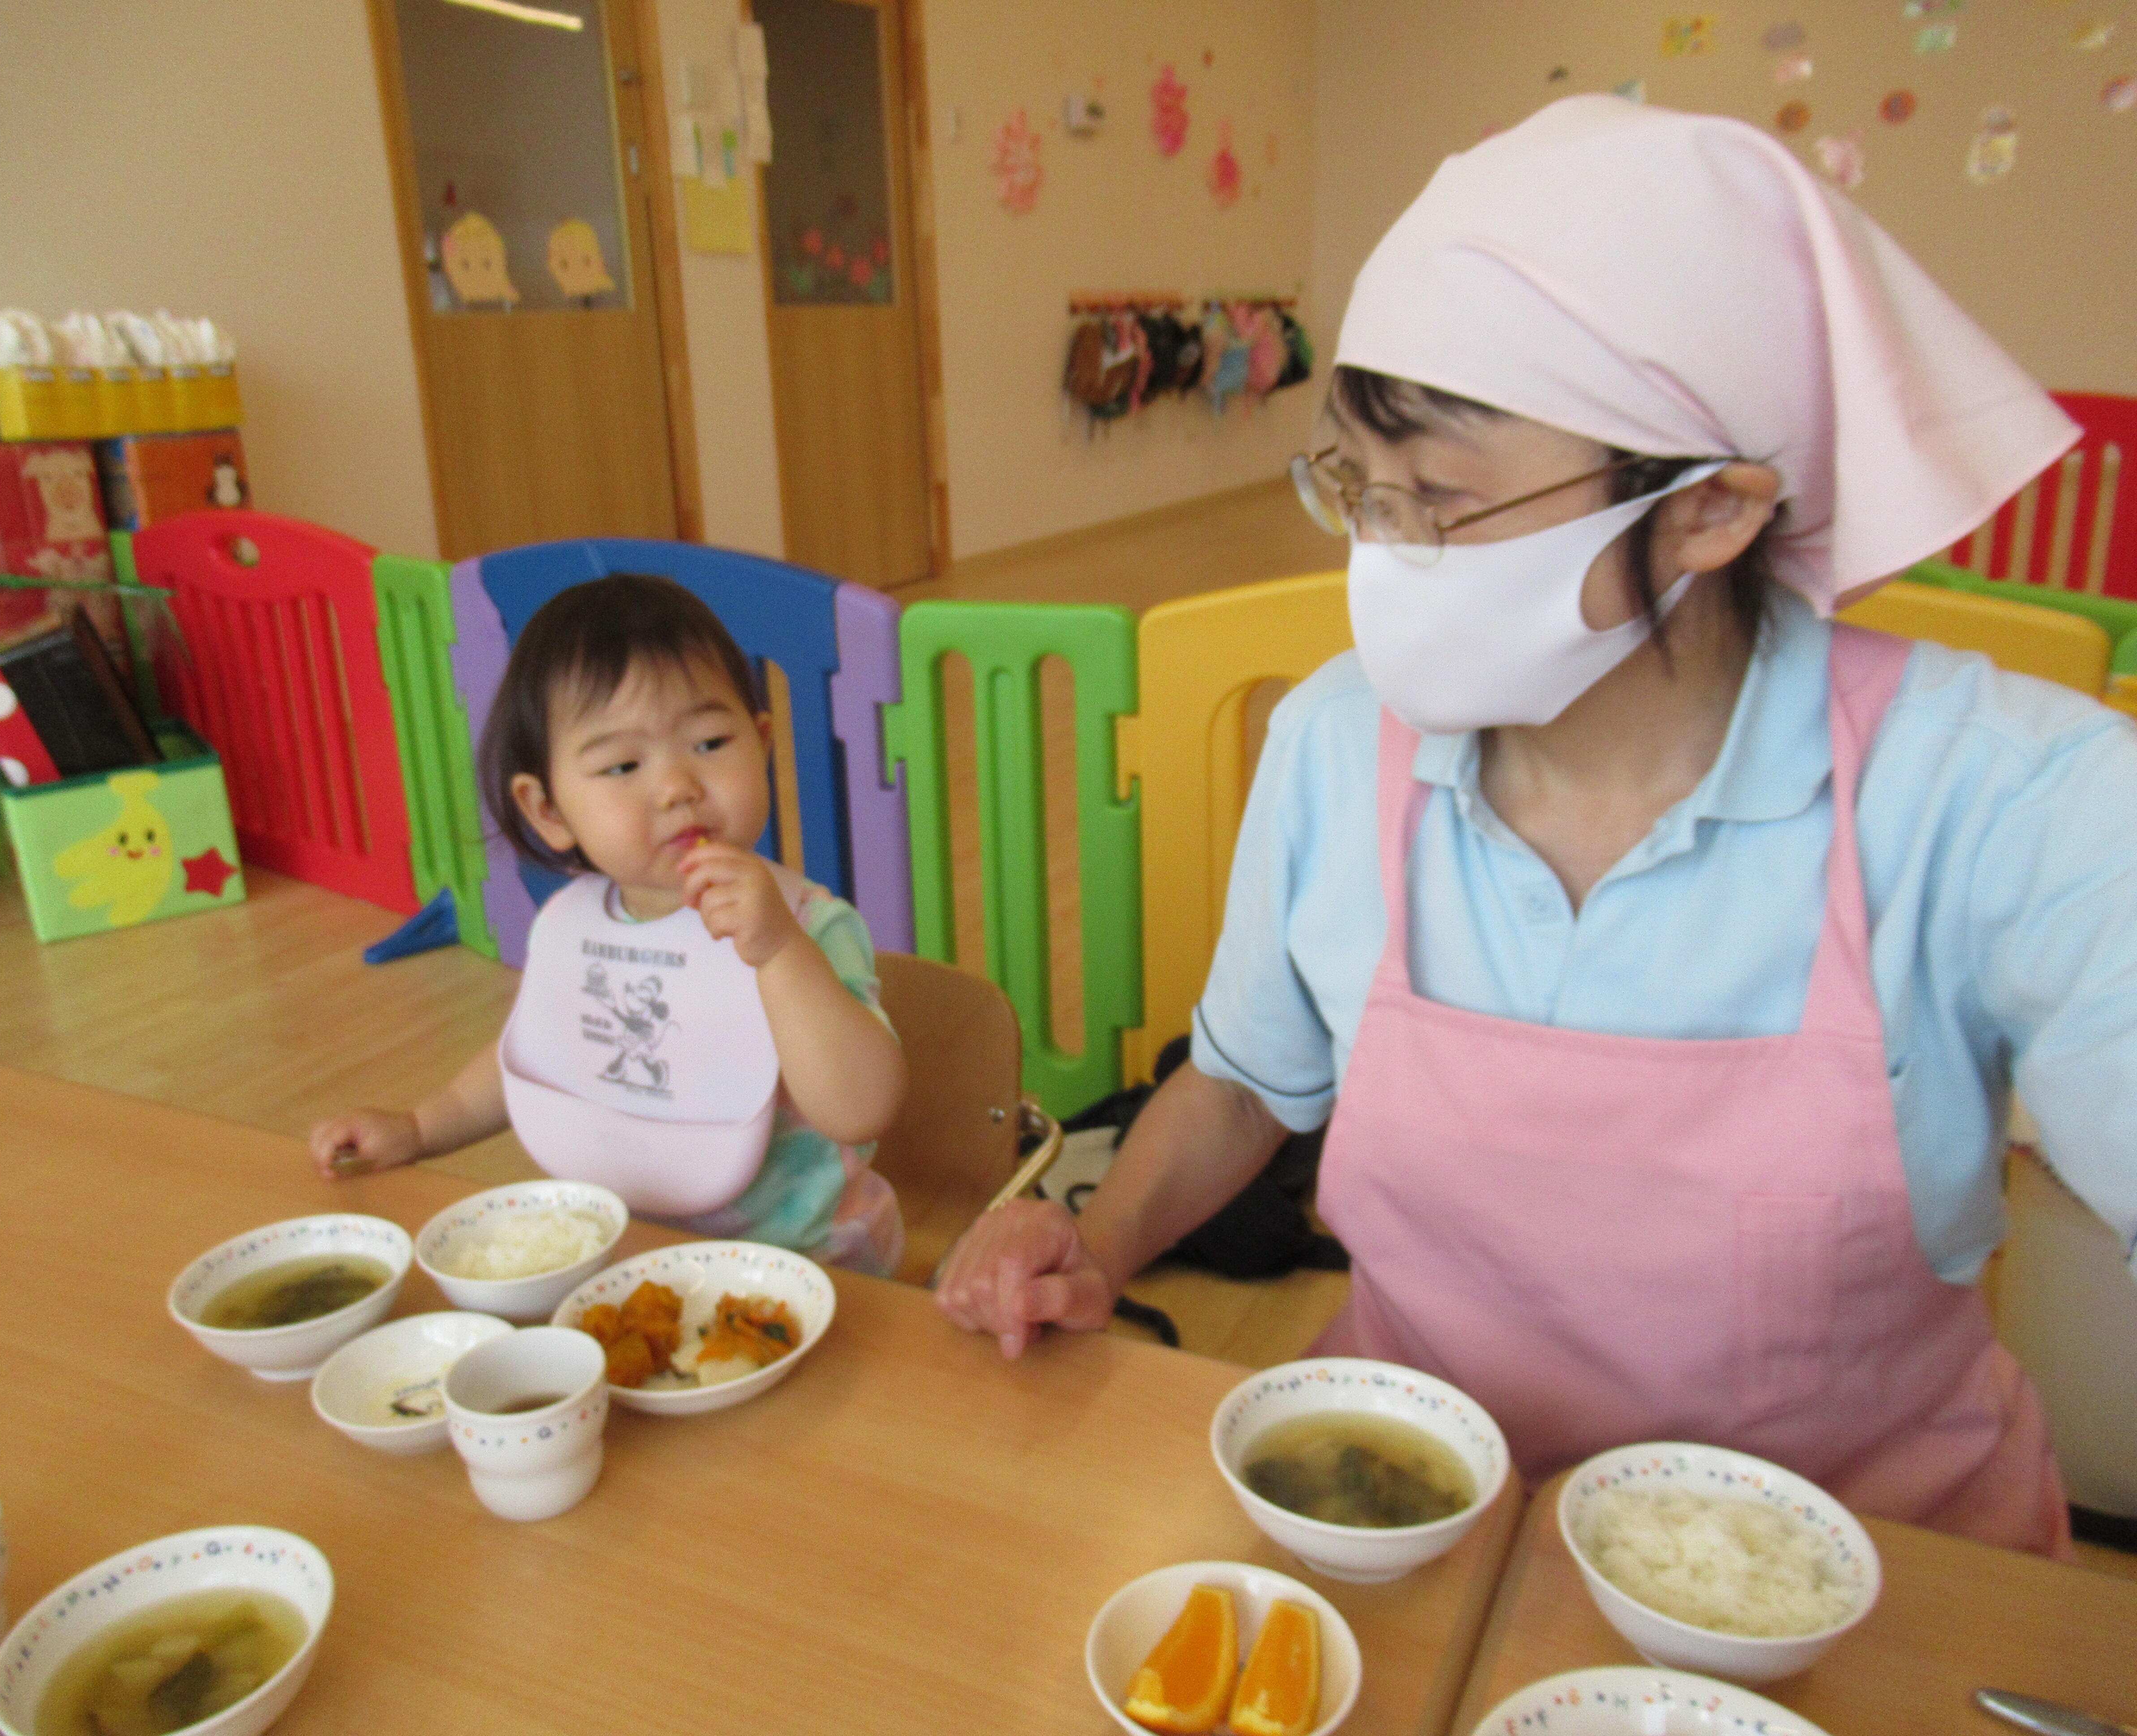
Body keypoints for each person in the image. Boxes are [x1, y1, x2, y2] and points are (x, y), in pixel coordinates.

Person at [936, 95, 2137, 1558]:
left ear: (1711, 513)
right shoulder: (1329, 740)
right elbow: (1248, 1086)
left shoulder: (2002, 799)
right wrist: (1100, 1236)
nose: (1383, 558)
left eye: (1442, 503)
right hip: (1414, 1505)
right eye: (1353, 490)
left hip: (1863, 1569)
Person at [311, 575, 907, 1277]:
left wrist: (778, 953)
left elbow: (863, 1109)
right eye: (623, 764)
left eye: (712, 742)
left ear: (764, 742)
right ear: (548, 811)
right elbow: (544, 1054)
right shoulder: (576, 925)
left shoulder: (807, 924)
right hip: (623, 1254)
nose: (677, 786)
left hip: (805, 1267)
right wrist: (418, 1127)